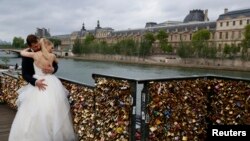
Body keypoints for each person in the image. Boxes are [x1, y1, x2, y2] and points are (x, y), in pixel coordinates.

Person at [8, 37, 76, 141]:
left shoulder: (40, 53)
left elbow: (55, 66)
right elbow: (25, 74)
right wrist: (35, 82)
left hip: (50, 84)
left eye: (38, 45)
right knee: (35, 111)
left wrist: (53, 69)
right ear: (30, 46)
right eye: (34, 46)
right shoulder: (32, 56)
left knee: (52, 109)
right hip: (37, 83)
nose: (37, 47)